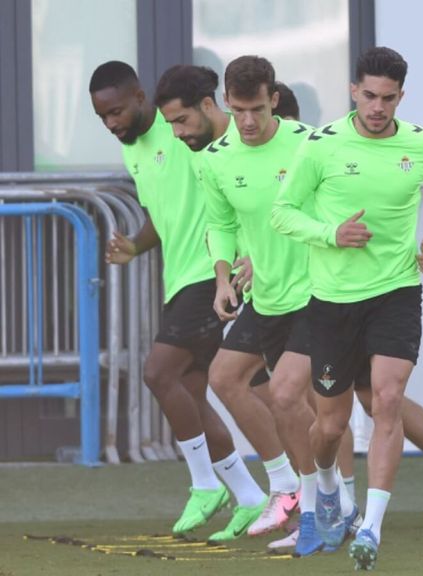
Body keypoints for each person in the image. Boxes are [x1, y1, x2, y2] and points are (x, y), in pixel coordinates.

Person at [272, 46, 423, 570]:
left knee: (388, 400)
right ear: (354, 90)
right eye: (370, 96)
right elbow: (282, 214)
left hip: (397, 291)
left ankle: (371, 527)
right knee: (329, 426)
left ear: (402, 96)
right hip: (332, 301)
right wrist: (332, 233)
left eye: (389, 98)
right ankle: (329, 485)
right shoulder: (320, 146)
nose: (378, 107)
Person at [90, 61, 262, 537]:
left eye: (117, 111)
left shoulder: (183, 132)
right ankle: (249, 494)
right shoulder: (134, 153)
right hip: (179, 279)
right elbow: (162, 218)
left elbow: (232, 188)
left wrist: (249, 256)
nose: (112, 123)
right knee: (188, 388)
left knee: (158, 372)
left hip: (212, 274)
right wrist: (134, 246)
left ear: (141, 98)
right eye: (102, 117)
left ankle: (206, 483)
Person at [154, 63, 304, 543]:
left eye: (255, 109)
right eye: (239, 110)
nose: (247, 121)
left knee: (316, 403)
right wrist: (226, 275)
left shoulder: (306, 143)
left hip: (310, 291)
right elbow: (221, 223)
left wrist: (264, 257)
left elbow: (320, 211)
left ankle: (331, 504)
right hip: (253, 292)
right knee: (228, 379)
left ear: (273, 100)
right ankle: (279, 488)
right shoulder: (214, 156)